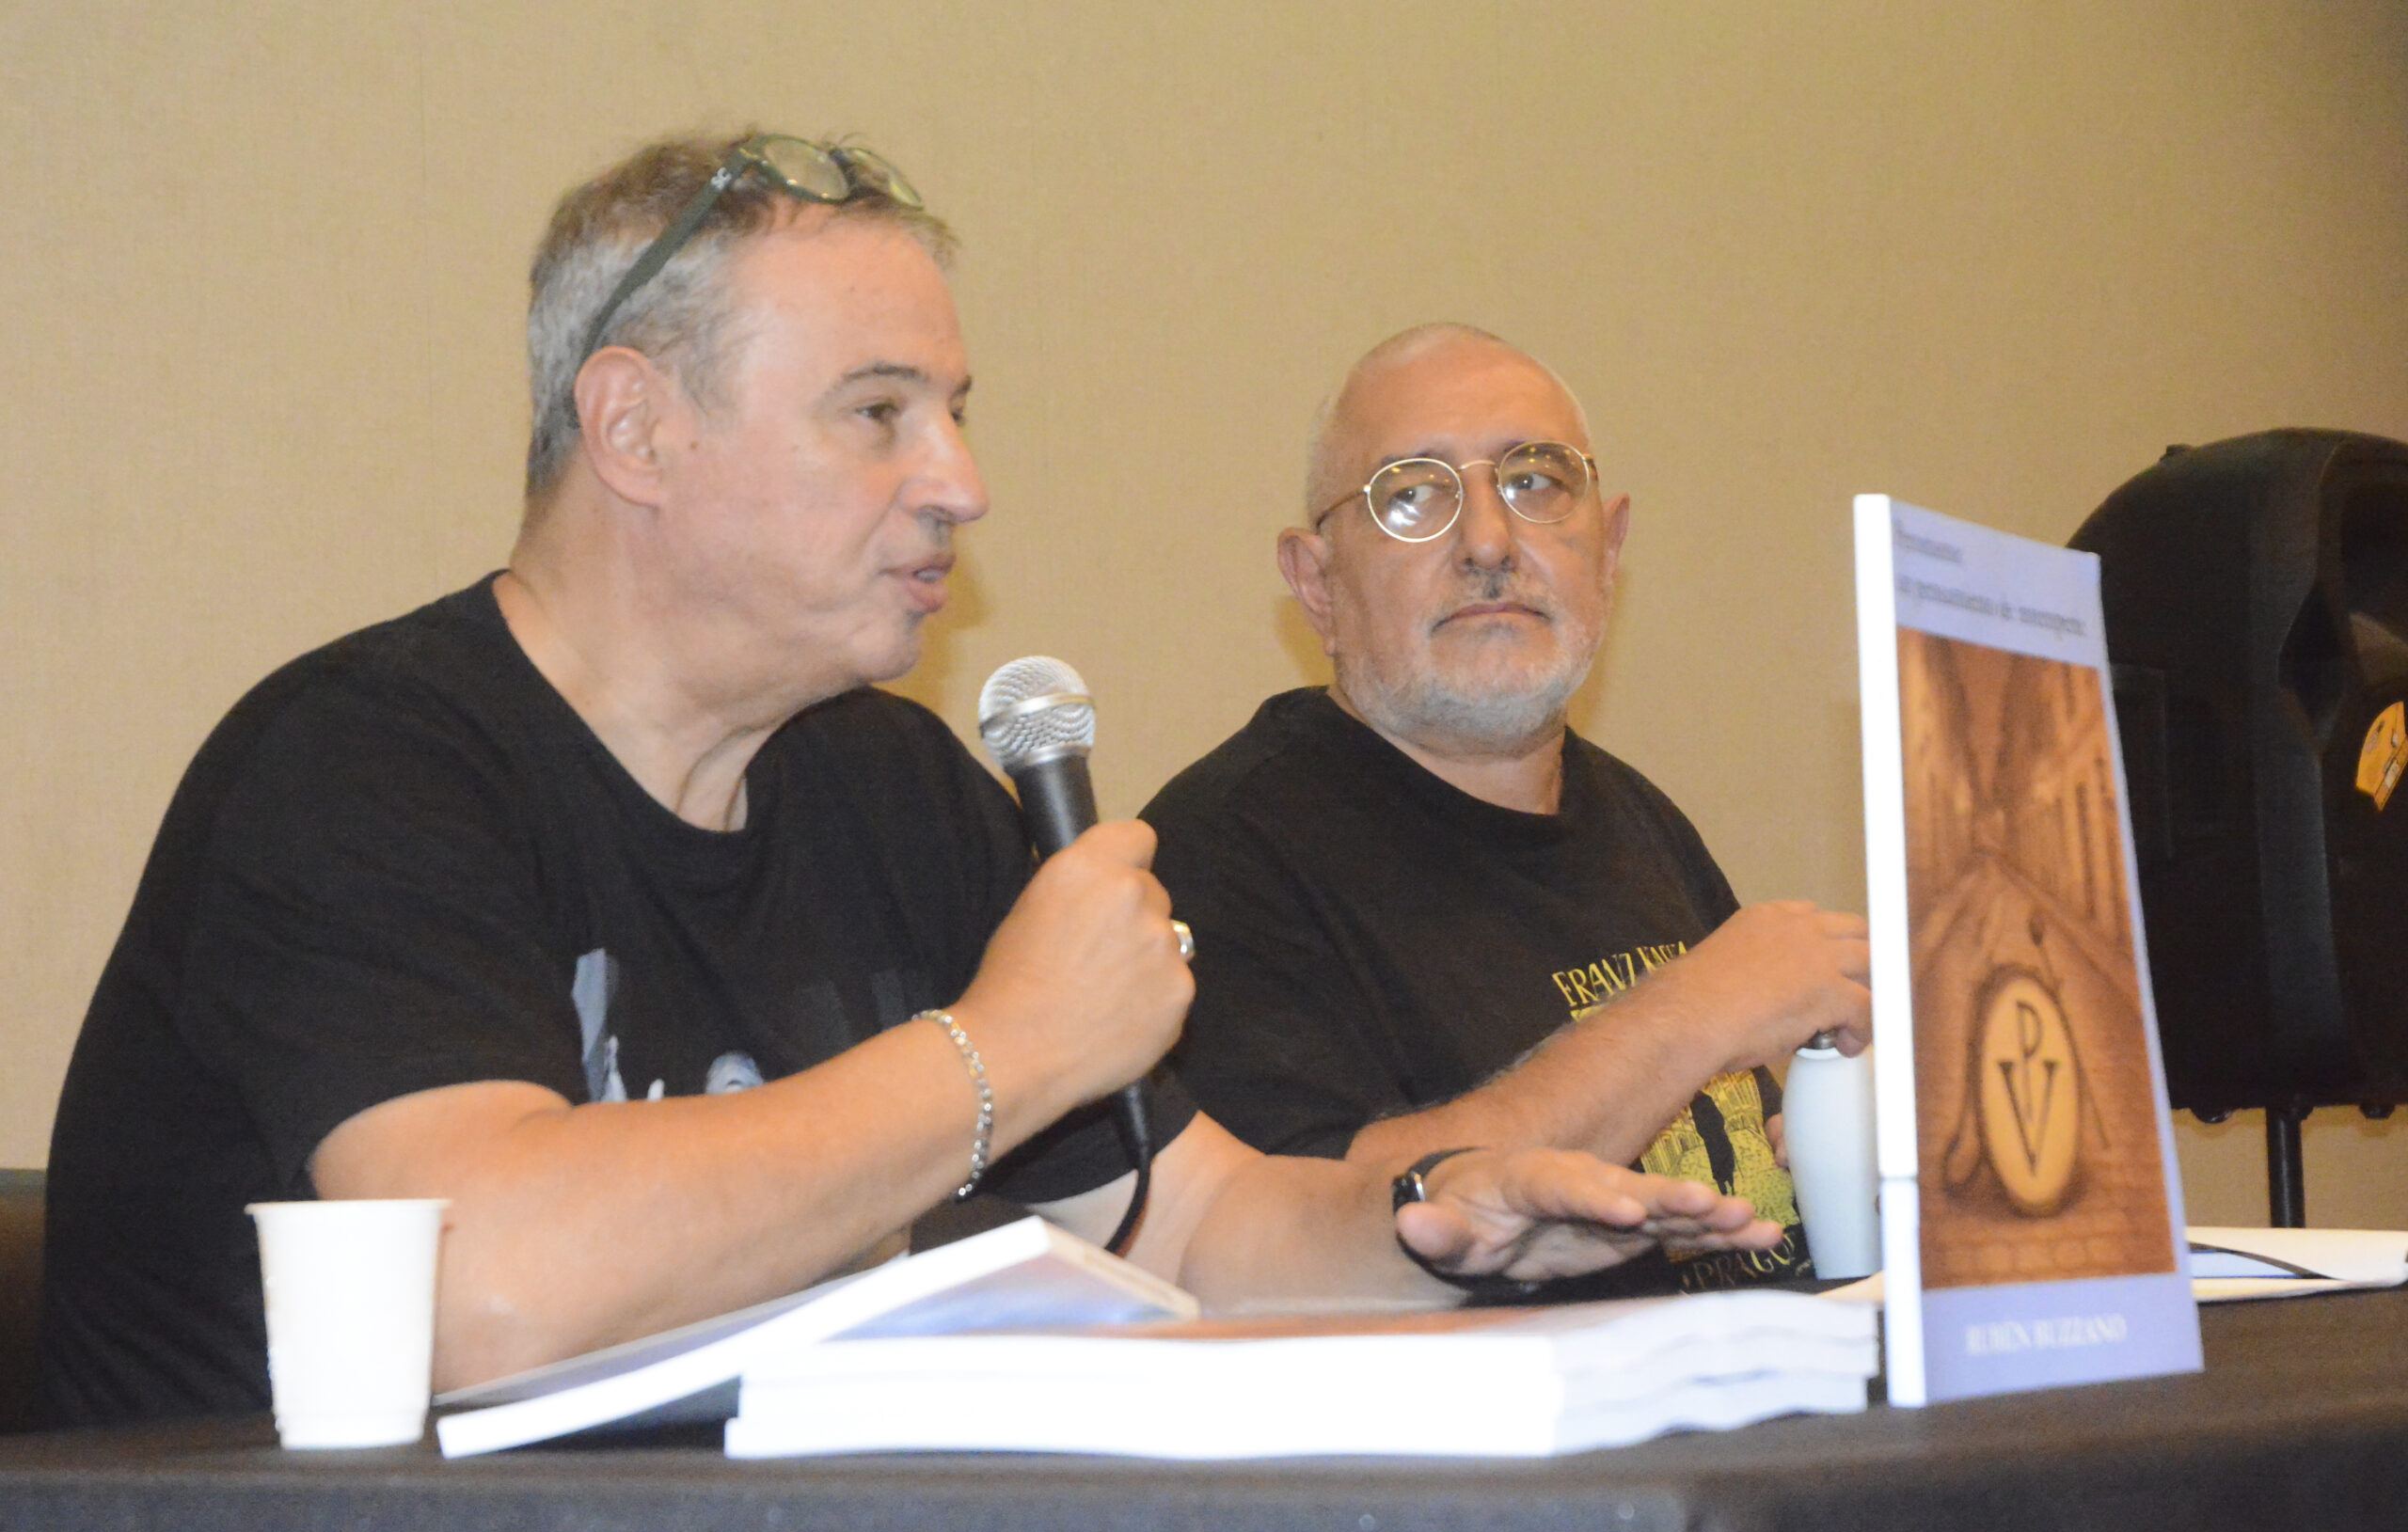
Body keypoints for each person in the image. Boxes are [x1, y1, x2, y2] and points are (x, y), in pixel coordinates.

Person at [37, 140, 1782, 1427]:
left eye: (954, 408)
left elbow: (1202, 1228)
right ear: (635, 429)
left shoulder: (888, 786)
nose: (961, 480)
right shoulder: (362, 766)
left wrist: (1437, 1220)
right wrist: (1003, 1046)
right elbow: (482, 1289)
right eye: (877, 413)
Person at [1143, 324, 1873, 1292]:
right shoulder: (1223, 852)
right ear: (1317, 584)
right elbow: (1294, 1243)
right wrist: (1695, 1011)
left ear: (1607, 550)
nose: (1488, 541)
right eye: (1412, 495)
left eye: (1534, 481)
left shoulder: (1639, 815)